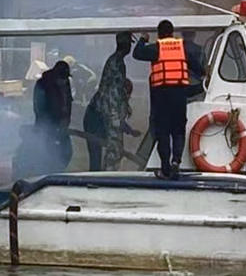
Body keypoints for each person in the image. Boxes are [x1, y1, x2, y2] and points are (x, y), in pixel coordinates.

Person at [134, 20, 205, 179]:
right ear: (172, 33)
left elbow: (137, 54)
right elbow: (200, 70)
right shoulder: (183, 49)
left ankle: (165, 167)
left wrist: (143, 39)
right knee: (178, 131)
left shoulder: (156, 49)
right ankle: (176, 162)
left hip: (161, 96)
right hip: (179, 95)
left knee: (163, 132)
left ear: (159, 34)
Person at [83, 32, 141, 171]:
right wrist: (117, 121)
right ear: (125, 44)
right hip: (97, 118)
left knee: (110, 150)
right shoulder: (115, 62)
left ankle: (101, 175)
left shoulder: (117, 62)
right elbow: (112, 97)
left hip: (103, 114)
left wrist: (129, 130)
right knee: (110, 150)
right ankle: (103, 177)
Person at [84, 80, 140, 171]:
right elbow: (113, 118)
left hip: (102, 124)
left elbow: (116, 119)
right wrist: (129, 130)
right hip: (93, 124)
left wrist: (130, 130)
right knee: (95, 153)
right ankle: (95, 176)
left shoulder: (115, 96)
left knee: (113, 148)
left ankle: (105, 172)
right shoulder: (109, 96)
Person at [32, 61, 73, 173]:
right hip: (46, 127)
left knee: (66, 152)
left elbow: (68, 103)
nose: (64, 81)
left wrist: (66, 120)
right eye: (62, 78)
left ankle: (58, 171)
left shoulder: (66, 83)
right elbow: (39, 109)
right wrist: (51, 126)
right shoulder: (42, 85)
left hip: (61, 126)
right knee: (48, 152)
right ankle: (47, 173)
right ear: (56, 75)